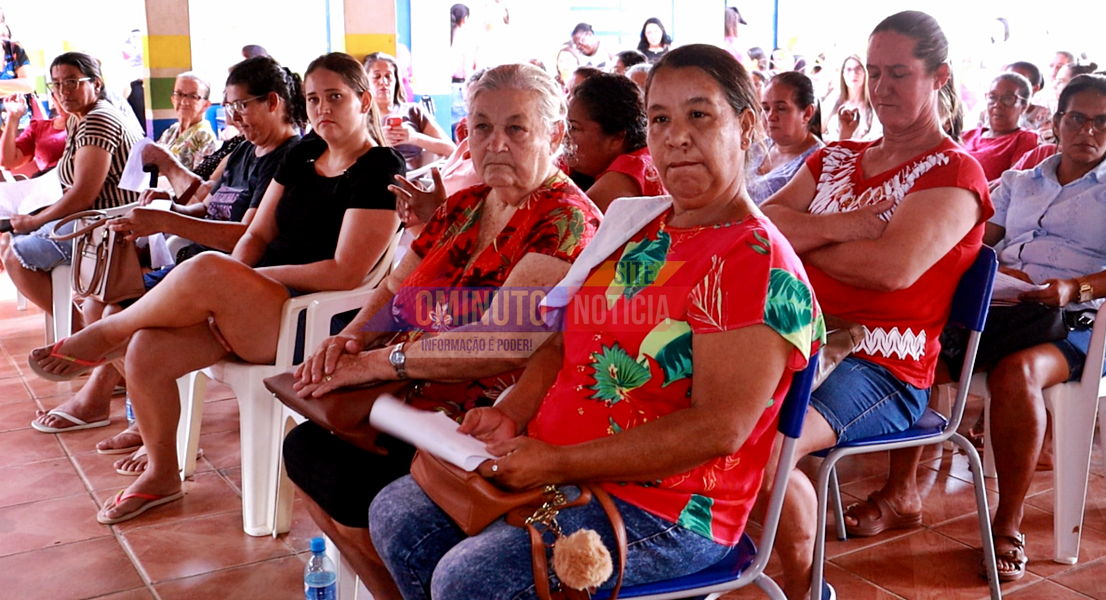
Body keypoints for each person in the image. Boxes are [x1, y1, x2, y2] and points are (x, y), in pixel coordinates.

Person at [368, 43, 823, 600]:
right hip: (567, 468)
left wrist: (558, 461)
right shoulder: (639, 229)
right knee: (396, 514)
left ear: (746, 125)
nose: (676, 136)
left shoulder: (755, 261)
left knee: (471, 580)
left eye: (698, 115)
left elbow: (718, 429)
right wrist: (513, 410)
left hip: (669, 507)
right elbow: (564, 340)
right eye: (660, 119)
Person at [27, 52, 407, 525]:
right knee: (147, 349)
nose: (321, 109)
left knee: (207, 268)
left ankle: (105, 334)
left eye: (335, 97)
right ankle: (162, 473)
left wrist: (249, 280)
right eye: (312, 99)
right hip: (250, 306)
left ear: (363, 99)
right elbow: (255, 236)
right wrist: (233, 285)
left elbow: (346, 272)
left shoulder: (380, 168)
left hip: (304, 318)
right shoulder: (302, 154)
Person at [280, 62, 602, 599]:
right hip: (407, 398)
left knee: (348, 475)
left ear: (554, 135)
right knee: (307, 448)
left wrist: (376, 364)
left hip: (484, 420)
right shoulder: (465, 205)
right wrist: (350, 339)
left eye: (516, 128)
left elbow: (499, 343)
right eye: (480, 127)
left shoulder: (565, 220)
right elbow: (391, 291)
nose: (495, 143)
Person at [760, 11, 992, 599]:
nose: (881, 87)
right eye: (872, 72)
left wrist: (807, 239)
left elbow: (893, 270)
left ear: (939, 77)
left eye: (899, 74)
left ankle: (807, 590)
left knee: (764, 444)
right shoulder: (833, 157)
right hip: (797, 335)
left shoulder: (953, 172)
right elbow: (764, 230)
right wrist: (853, 227)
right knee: (701, 413)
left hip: (886, 366)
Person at [843, 73, 1106, 583]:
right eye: (1077, 118)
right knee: (916, 353)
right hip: (1006, 308)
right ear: (1056, 122)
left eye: (1102, 122)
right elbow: (982, 238)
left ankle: (1007, 523)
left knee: (1017, 374)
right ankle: (902, 493)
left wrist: (1072, 289)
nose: (1088, 131)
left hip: (1077, 323)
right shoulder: (1019, 181)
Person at [33, 56, 305, 475]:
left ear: (272, 101)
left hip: (234, 283)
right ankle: (148, 425)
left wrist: (165, 221)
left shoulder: (287, 160)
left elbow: (246, 237)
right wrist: (170, 206)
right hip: (194, 263)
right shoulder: (244, 151)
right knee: (103, 305)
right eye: (228, 109)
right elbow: (209, 204)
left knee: (124, 320)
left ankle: (150, 424)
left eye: (240, 107)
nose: (234, 119)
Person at [0, 52, 141, 315]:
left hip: (103, 227)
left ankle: (75, 335)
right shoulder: (80, 118)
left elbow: (83, 195)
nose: (63, 91)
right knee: (10, 242)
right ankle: (75, 335)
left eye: (72, 82)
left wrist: (35, 221)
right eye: (57, 84)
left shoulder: (98, 120)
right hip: (89, 221)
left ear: (96, 84)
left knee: (15, 256)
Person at [565, 72, 663, 211]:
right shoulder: (647, 156)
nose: (565, 136)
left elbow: (572, 224)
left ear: (616, 138)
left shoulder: (629, 172)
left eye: (574, 128)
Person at [365, 52, 456, 170]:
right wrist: (379, 141)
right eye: (377, 77)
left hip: (414, 179)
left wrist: (414, 138)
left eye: (388, 76)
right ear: (366, 81)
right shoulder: (359, 116)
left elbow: (452, 150)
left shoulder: (413, 110)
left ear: (396, 80)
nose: (384, 82)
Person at [749, 71, 824, 205]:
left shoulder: (820, 162)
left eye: (781, 108)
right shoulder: (757, 148)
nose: (771, 116)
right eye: (765, 108)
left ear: (807, 113)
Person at [962, 72, 1040, 181]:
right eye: (992, 97)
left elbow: (1012, 183)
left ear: (1023, 107)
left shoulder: (1024, 138)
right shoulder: (966, 135)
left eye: (1008, 99)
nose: (998, 104)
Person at [156, 72, 218, 171]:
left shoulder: (204, 137)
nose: (184, 101)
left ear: (206, 105)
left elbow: (199, 180)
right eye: (179, 94)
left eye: (193, 96)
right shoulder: (171, 131)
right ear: (172, 99)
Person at [0, 89, 68, 176]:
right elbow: (6, 162)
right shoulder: (38, 128)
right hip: (52, 185)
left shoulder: (89, 125)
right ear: (53, 98)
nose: (65, 92)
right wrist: (13, 116)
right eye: (57, 85)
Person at [823, 54, 879, 142]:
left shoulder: (873, 105)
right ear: (843, 74)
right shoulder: (833, 101)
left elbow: (876, 137)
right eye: (849, 69)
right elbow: (819, 131)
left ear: (865, 73)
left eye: (858, 69)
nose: (853, 74)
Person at [449, 3, 476, 132]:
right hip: (460, 88)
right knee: (461, 129)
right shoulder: (465, 37)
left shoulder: (446, 35)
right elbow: (467, 68)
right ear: (465, 19)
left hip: (447, 87)